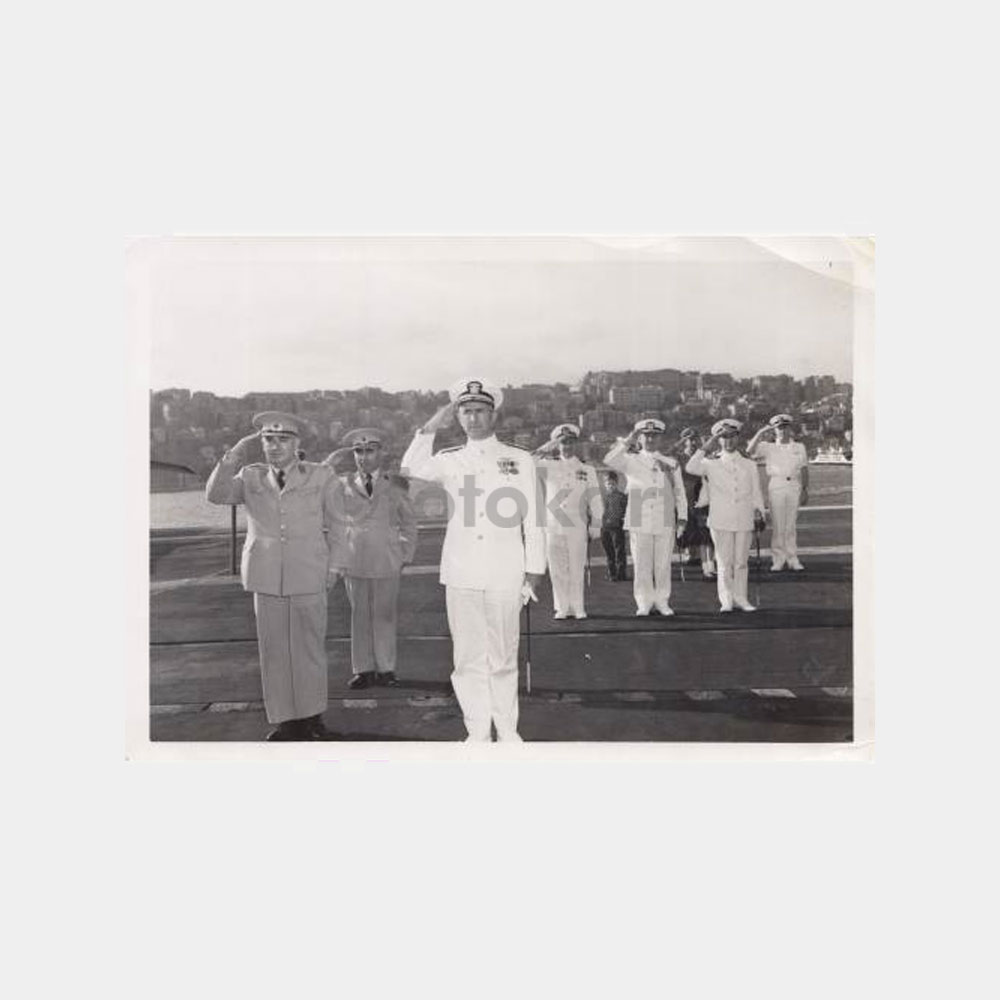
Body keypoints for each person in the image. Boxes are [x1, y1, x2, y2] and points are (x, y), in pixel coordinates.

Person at [401, 378, 546, 742]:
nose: (473, 418)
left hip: (505, 569)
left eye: (480, 411)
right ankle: (478, 732)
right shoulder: (448, 459)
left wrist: (534, 569)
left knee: (503, 655)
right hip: (462, 570)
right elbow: (410, 471)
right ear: (458, 417)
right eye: (466, 411)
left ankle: (508, 731)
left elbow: (534, 518)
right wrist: (430, 427)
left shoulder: (519, 458)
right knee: (467, 659)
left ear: (493, 415)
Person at [205, 412, 344, 740]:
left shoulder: (321, 476)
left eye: (283, 439)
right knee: (274, 651)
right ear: (261, 443)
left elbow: (340, 525)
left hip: (309, 572)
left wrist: (335, 567)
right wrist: (235, 452)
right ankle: (285, 721)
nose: (275, 445)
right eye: (269, 439)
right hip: (266, 575)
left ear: (297, 444)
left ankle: (312, 718)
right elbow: (215, 495)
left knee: (308, 649)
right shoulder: (250, 476)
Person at [324, 428, 417, 690]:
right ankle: (363, 670)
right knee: (360, 616)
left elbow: (409, 523)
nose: (364, 457)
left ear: (381, 452)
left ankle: (386, 669)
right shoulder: (342, 484)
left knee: (385, 615)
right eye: (358, 451)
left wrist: (404, 554)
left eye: (369, 451)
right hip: (355, 559)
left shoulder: (395, 485)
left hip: (387, 559)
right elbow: (333, 519)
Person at [604, 418, 687, 616]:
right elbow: (609, 459)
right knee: (641, 564)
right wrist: (628, 439)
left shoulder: (670, 462)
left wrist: (682, 517)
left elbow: (679, 491)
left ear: (660, 438)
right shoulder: (630, 459)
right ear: (639, 438)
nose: (650, 439)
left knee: (662, 564)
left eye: (654, 436)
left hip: (664, 517)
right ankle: (644, 602)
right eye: (646, 435)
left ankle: (662, 601)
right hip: (638, 517)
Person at [685, 419, 766, 613]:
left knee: (741, 562)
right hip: (720, 519)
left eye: (732, 437)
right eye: (723, 437)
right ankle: (727, 600)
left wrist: (760, 512)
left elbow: (756, 491)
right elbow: (690, 467)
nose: (728, 441)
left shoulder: (748, 463)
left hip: (744, 517)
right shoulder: (710, 462)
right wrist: (707, 444)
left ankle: (741, 598)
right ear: (718, 440)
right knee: (723, 562)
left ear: (738, 438)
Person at [532, 424, 604, 618]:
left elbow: (595, 499)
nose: (567, 446)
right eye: (563, 442)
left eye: (571, 442)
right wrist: (549, 445)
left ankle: (578, 607)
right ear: (557, 445)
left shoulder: (586, 469)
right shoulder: (548, 466)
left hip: (577, 525)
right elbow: (528, 462)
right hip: (553, 525)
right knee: (557, 570)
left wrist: (596, 523)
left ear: (576, 444)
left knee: (576, 567)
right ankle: (562, 607)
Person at [747, 413, 810, 571]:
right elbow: (748, 451)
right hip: (777, 485)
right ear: (774, 430)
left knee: (791, 525)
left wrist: (804, 489)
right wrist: (761, 432)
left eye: (785, 427)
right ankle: (778, 559)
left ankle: (792, 558)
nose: (782, 430)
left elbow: (804, 469)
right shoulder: (768, 447)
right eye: (779, 428)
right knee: (778, 525)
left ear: (790, 428)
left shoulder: (799, 447)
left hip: (794, 485)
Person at [673, 427, 716, 579]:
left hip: (700, 496)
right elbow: (669, 454)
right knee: (687, 528)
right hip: (684, 495)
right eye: (688, 440)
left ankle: (703, 559)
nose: (692, 442)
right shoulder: (679, 457)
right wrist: (681, 442)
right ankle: (690, 554)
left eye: (694, 439)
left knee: (702, 530)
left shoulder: (702, 456)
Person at [600, 471, 629, 582]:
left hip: (617, 527)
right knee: (609, 551)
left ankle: (621, 573)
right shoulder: (603, 497)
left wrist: (625, 523)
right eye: (608, 484)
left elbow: (626, 511)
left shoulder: (622, 497)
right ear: (605, 484)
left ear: (616, 484)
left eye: (613, 484)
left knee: (619, 551)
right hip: (605, 528)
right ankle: (612, 573)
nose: (610, 486)